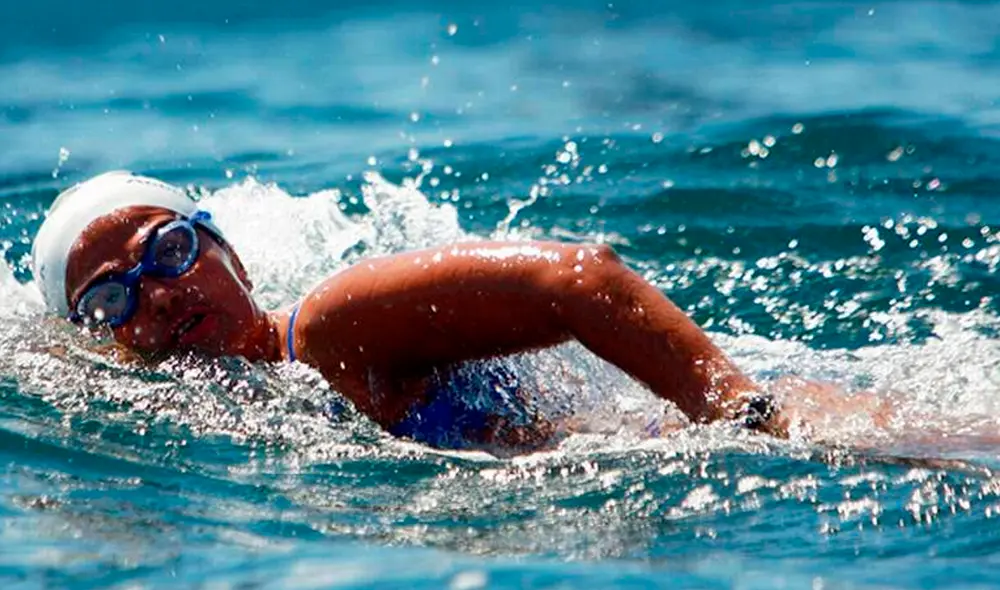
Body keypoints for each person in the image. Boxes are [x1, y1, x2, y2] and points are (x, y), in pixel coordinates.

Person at [31, 171, 816, 450]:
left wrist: (742, 412)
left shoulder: (329, 328)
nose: (157, 293)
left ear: (227, 251)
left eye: (167, 252)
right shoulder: (225, 406)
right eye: (110, 299)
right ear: (100, 343)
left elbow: (577, 277)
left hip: (765, 442)